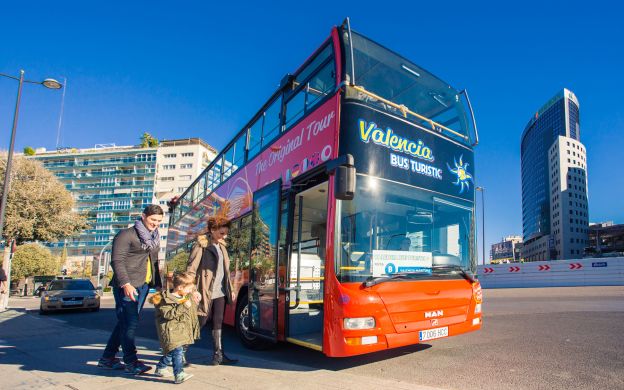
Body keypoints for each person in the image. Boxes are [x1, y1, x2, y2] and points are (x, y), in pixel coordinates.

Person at [98, 205, 164, 375]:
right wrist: (125, 283)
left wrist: (158, 285)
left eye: (158, 221)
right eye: (153, 220)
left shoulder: (154, 237)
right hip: (128, 285)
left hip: (143, 284)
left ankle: (107, 358)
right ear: (143, 216)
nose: (155, 224)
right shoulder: (126, 235)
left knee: (125, 322)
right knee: (130, 323)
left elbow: (154, 261)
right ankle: (131, 362)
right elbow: (117, 261)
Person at [187, 215, 238, 365]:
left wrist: (231, 289)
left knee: (218, 322)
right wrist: (192, 289)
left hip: (220, 292)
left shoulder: (222, 247)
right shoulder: (201, 245)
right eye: (222, 233)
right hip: (204, 291)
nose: (225, 236)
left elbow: (225, 271)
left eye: (226, 233)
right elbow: (191, 269)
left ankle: (218, 355)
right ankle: (179, 353)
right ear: (212, 229)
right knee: (200, 322)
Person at [151, 271, 200, 384]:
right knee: (177, 351)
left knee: (171, 351)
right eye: (189, 289)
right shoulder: (164, 299)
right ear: (180, 287)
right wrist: (183, 307)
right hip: (170, 331)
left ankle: (161, 368)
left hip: (181, 331)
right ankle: (179, 374)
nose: (190, 291)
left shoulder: (184, 296)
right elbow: (168, 315)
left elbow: (191, 313)